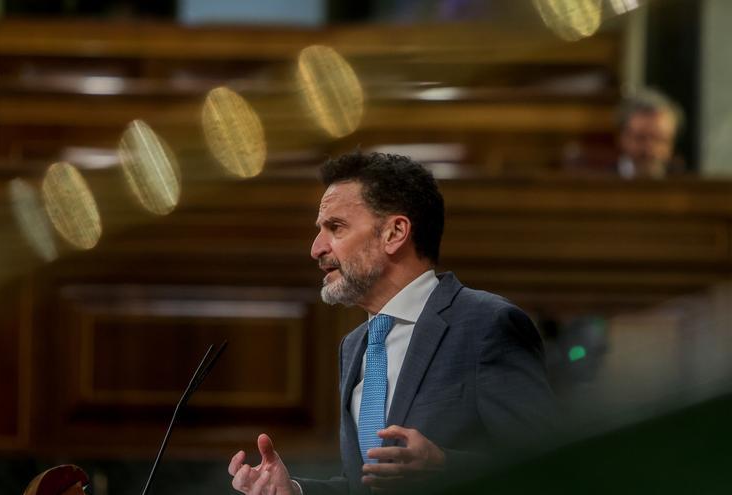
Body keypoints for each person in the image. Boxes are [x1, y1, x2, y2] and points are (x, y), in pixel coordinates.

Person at [228, 151, 555, 495]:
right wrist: (294, 491)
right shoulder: (355, 346)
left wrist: (443, 467)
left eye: (335, 227)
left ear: (394, 232)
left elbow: (552, 467)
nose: (316, 248)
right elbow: (364, 486)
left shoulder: (486, 324)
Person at [616, 88, 684, 179]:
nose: (649, 149)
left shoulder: (685, 185)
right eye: (640, 138)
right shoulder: (600, 181)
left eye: (659, 139)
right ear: (623, 138)